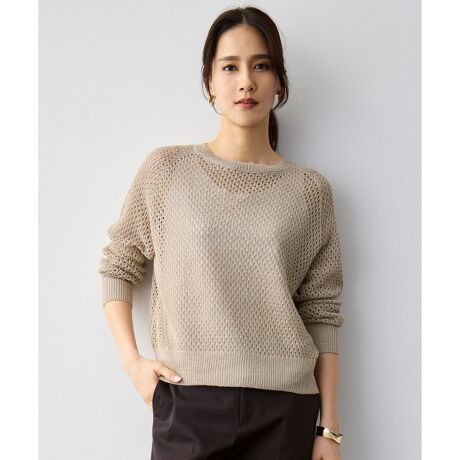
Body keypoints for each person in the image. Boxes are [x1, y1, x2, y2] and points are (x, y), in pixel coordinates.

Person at [98, 6, 345, 460]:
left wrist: (328, 429)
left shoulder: (310, 191)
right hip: (187, 402)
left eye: (261, 66)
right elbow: (118, 265)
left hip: (285, 409)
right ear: (209, 82)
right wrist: (132, 363)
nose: (246, 81)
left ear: (279, 82)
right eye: (230, 67)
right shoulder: (167, 171)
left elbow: (322, 310)